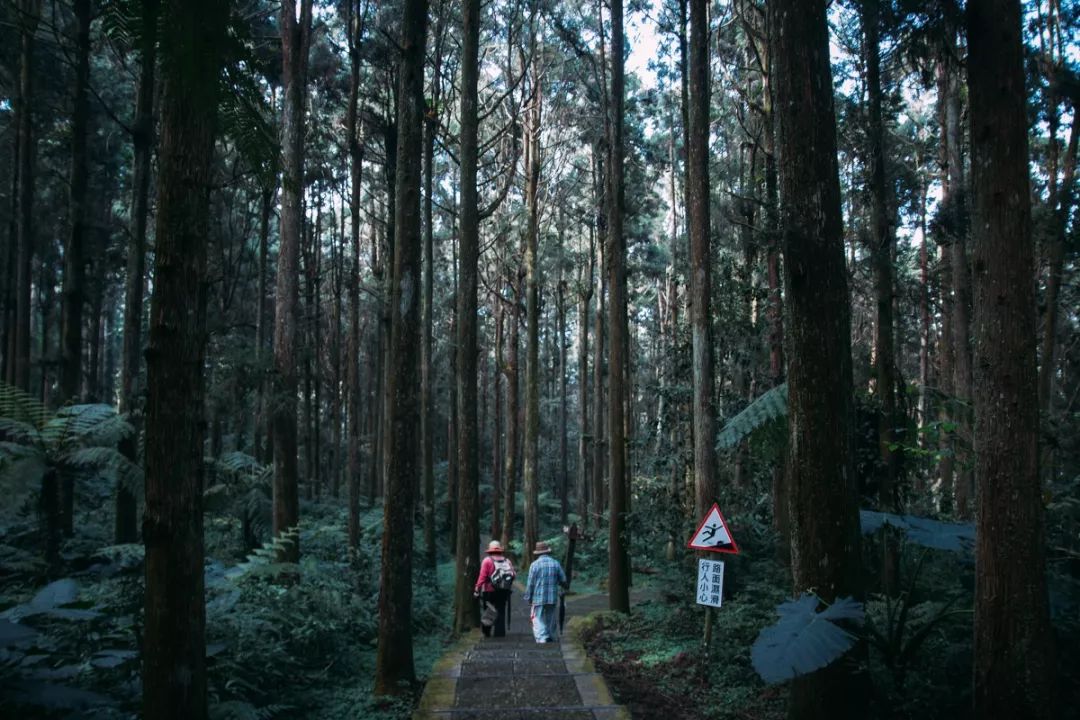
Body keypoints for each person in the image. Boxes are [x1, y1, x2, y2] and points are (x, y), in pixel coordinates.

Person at [522, 541, 567, 643]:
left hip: (538, 597)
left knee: (537, 617)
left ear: (538, 553)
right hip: (552, 597)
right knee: (551, 617)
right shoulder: (555, 563)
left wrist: (528, 597)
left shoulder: (534, 565)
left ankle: (543, 637)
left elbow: (530, 583)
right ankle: (551, 635)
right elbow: (563, 579)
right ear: (547, 552)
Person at [473, 540, 514, 638]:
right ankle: (500, 634)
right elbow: (513, 575)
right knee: (501, 611)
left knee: (489, 611)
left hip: (489, 590)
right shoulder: (507, 561)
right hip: (504, 591)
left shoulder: (487, 561)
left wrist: (476, 589)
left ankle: (487, 633)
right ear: (500, 550)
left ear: (490, 551)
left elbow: (482, 577)